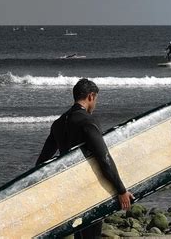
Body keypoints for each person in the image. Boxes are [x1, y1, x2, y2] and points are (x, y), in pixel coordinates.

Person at [36, 79, 134, 238]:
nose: (95, 104)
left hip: (69, 190)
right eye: (96, 100)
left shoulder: (58, 123)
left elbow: (41, 163)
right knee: (91, 234)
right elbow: (104, 158)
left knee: (79, 234)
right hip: (89, 188)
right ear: (91, 96)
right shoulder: (87, 121)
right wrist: (121, 190)